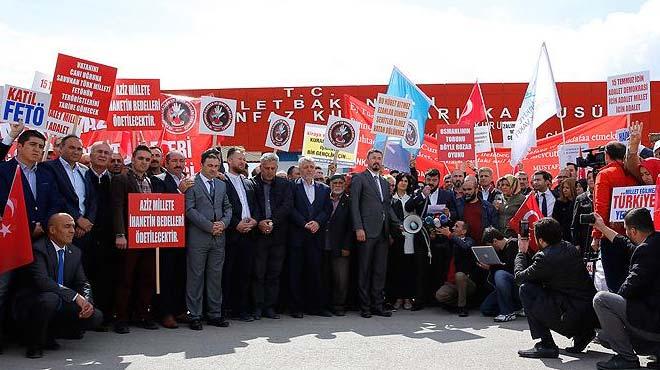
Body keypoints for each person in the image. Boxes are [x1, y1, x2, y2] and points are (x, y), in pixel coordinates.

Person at [0, 130, 62, 350]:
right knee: (3, 288)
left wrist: (42, 225)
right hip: (9, 241)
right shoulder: (4, 170)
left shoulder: (45, 174)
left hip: (39, 240)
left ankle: (36, 336)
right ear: (19, 146)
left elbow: (54, 202)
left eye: (40, 146)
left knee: (37, 288)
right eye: (33, 145)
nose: (37, 150)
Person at [12, 213, 103, 359]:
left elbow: (83, 282)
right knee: (50, 299)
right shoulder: (38, 249)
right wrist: (74, 296)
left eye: (73, 226)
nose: (72, 230)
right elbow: (43, 281)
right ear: (52, 230)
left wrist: (87, 302)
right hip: (33, 303)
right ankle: (34, 344)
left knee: (96, 316)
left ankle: (52, 334)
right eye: (67, 226)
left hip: (59, 300)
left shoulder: (75, 252)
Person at [515, 218, 598, 359]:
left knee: (526, 289)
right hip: (589, 314)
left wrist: (521, 252)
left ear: (541, 240)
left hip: (571, 315)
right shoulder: (569, 247)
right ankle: (583, 334)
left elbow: (519, 277)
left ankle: (546, 344)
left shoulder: (545, 258)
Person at [591, 208, 660, 370]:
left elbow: (629, 288)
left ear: (634, 230)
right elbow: (626, 243)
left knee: (602, 300)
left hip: (653, 323)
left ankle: (626, 358)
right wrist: (602, 227)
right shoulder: (654, 242)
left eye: (627, 230)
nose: (627, 233)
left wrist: (616, 312)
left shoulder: (645, 252)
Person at [111, 145, 165, 334]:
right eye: (140, 158)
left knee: (147, 277)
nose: (144, 162)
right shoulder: (121, 179)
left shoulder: (152, 181)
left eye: (147, 159)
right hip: (129, 237)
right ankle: (121, 317)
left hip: (149, 237)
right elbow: (117, 208)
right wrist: (120, 234)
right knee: (125, 278)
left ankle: (143, 314)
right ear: (132, 159)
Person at [185, 150, 233, 330]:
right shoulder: (192, 183)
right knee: (195, 276)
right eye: (210, 166)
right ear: (202, 165)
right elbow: (189, 209)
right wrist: (209, 226)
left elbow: (228, 207)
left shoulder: (221, 185)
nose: (213, 169)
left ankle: (214, 314)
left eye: (216, 166)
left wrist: (223, 223)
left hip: (219, 237)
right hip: (199, 237)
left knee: (215, 277)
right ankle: (194, 315)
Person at [350, 149, 400, 318]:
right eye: (373, 158)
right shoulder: (359, 178)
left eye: (379, 158)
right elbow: (354, 205)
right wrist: (358, 228)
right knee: (364, 270)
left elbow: (387, 207)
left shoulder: (385, 183)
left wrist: (398, 225)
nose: (377, 161)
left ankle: (378, 305)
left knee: (379, 271)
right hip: (366, 231)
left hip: (383, 233)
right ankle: (365, 307)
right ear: (367, 160)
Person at [405, 168, 457, 307]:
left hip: (441, 238)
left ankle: (437, 299)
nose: (431, 183)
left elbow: (455, 213)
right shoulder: (418, 192)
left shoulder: (447, 194)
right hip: (423, 237)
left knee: (439, 269)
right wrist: (422, 195)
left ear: (439, 180)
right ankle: (421, 299)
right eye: (429, 180)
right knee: (421, 269)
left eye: (434, 180)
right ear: (425, 179)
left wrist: (449, 213)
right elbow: (409, 206)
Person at [592, 142, 638, 292]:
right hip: (636, 235)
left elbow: (601, 206)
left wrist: (597, 235)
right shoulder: (634, 173)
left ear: (606, 155)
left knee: (615, 283)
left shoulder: (605, 174)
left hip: (611, 236)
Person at [289, 157, 332, 318]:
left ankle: (315, 307)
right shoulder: (292, 186)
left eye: (311, 167)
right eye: (305, 167)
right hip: (298, 236)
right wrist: (303, 223)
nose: (309, 170)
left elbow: (327, 210)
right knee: (296, 272)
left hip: (316, 236)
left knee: (315, 272)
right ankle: (296, 307)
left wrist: (317, 223)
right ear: (300, 169)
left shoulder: (324, 188)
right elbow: (290, 208)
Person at [251, 153, 293, 320]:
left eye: (272, 169)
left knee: (274, 273)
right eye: (266, 168)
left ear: (277, 168)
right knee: (258, 273)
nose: (269, 172)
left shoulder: (284, 184)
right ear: (260, 167)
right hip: (258, 235)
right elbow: (252, 205)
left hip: (278, 235)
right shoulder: (252, 183)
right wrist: (260, 222)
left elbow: (287, 206)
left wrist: (272, 222)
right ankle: (257, 307)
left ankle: (270, 307)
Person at [155, 150, 194, 328]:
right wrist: (180, 191)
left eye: (181, 160)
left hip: (187, 234)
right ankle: (166, 313)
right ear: (167, 162)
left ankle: (180, 310)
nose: (178, 164)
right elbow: (162, 204)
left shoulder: (190, 180)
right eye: (175, 161)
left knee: (182, 274)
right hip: (167, 235)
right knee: (167, 275)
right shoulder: (160, 180)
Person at [42, 135, 97, 257]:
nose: (76, 151)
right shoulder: (48, 167)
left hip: (84, 231)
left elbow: (92, 199)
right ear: (61, 149)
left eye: (79, 149)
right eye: (72, 148)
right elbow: (57, 197)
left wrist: (86, 223)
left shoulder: (85, 170)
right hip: (60, 230)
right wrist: (77, 219)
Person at [223, 147, 259, 322]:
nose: (242, 162)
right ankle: (224, 309)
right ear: (229, 160)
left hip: (249, 233)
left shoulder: (248, 182)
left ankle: (241, 309)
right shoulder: (222, 181)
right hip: (231, 234)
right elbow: (222, 207)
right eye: (239, 159)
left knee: (245, 274)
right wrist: (235, 223)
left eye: (244, 159)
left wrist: (255, 220)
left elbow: (255, 205)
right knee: (227, 273)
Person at [83, 142, 116, 331]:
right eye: (99, 152)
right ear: (91, 154)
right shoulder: (81, 175)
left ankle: (103, 316)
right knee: (85, 277)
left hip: (108, 238)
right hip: (85, 235)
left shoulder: (116, 179)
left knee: (106, 277)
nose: (103, 155)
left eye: (106, 153)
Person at [321, 174, 353, 316]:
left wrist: (346, 246)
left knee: (341, 278)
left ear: (345, 185)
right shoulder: (322, 198)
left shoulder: (349, 201)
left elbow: (351, 226)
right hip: (322, 244)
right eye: (335, 183)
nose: (338, 185)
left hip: (340, 246)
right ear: (330, 184)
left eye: (341, 183)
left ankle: (339, 305)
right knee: (324, 277)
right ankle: (325, 304)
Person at [434, 221, 477, 317]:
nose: (453, 228)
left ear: (464, 231)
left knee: (460, 275)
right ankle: (458, 304)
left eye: (456, 226)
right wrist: (434, 237)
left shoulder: (469, 240)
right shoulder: (450, 241)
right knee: (440, 295)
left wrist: (450, 235)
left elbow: (465, 247)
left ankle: (462, 307)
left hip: (466, 282)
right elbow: (438, 248)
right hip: (451, 283)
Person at [389, 173, 419, 311]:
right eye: (401, 180)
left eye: (406, 181)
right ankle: (398, 298)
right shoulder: (390, 199)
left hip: (410, 237)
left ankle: (407, 297)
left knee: (408, 268)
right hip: (395, 238)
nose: (403, 183)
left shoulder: (411, 199)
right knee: (396, 268)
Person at [479, 227, 521, 322]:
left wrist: (491, 267)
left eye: (490, 245)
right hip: (506, 288)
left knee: (500, 274)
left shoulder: (513, 244)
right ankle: (517, 308)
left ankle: (507, 312)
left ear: (495, 241)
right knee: (485, 309)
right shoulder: (499, 251)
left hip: (518, 285)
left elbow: (512, 268)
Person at [455, 177, 498, 247]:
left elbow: (494, 226)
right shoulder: (458, 204)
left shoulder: (488, 206)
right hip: (463, 245)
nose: (466, 192)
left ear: (476, 190)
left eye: (469, 189)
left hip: (483, 246)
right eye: (464, 190)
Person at [552, 177, 577, 244]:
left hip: (575, 236)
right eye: (563, 188)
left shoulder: (578, 202)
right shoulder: (559, 202)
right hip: (563, 237)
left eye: (567, 188)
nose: (564, 190)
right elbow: (555, 220)